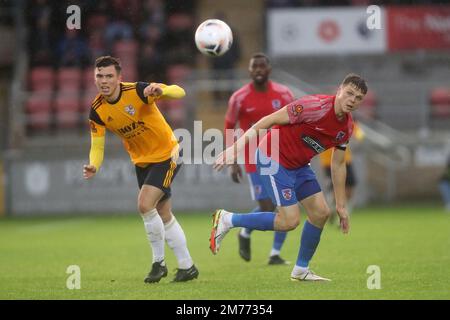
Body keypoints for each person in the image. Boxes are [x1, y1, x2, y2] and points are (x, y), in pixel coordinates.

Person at [210, 73, 368, 281]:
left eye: (358, 98)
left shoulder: (346, 127)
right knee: (289, 220)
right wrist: (235, 149)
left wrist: (341, 205)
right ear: (339, 90)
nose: (352, 101)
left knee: (321, 213)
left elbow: (338, 164)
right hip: (273, 157)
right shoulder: (314, 107)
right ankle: (228, 219)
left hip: (299, 166)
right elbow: (268, 120)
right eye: (349, 93)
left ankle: (301, 270)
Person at [83, 56, 198, 283]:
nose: (104, 81)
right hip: (142, 161)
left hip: (168, 153)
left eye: (109, 76)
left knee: (145, 204)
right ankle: (187, 267)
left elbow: (180, 92)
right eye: (99, 76)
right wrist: (94, 164)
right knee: (163, 214)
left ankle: (159, 264)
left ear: (119, 78)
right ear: (94, 78)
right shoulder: (97, 110)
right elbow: (97, 145)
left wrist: (161, 90)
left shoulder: (137, 91)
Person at [225, 53, 294, 264]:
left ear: (269, 69)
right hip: (253, 157)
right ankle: (244, 232)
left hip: (281, 156)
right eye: (254, 67)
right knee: (267, 207)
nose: (258, 70)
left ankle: (275, 253)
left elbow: (294, 123)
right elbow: (230, 126)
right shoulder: (239, 97)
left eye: (262, 67)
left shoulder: (284, 94)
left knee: (285, 204)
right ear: (249, 70)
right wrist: (233, 159)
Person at [319, 122, 364, 221]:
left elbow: (359, 133)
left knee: (350, 188)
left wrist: (359, 137)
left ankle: (342, 212)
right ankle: (331, 209)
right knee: (335, 190)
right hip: (328, 162)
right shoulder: (321, 121)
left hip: (345, 160)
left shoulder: (345, 121)